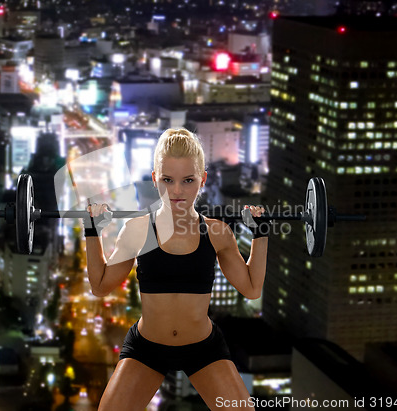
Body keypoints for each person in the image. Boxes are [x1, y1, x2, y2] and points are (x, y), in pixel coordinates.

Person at [85, 128, 269, 411]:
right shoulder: (137, 230)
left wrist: (261, 235)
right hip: (147, 348)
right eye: (168, 180)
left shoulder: (217, 232)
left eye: (188, 180)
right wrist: (92, 232)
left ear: (203, 180)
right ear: (154, 178)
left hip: (203, 348)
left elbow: (251, 287)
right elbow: (100, 286)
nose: (177, 191)